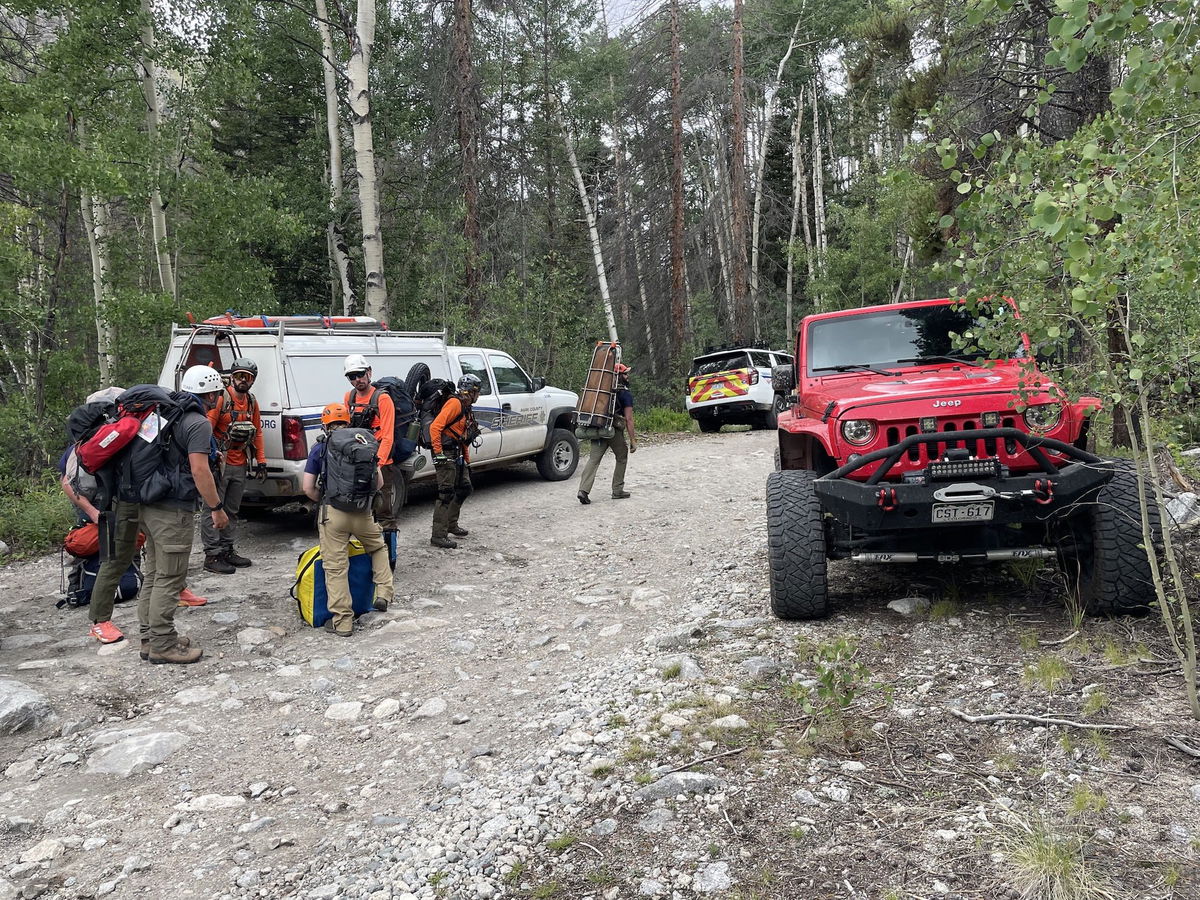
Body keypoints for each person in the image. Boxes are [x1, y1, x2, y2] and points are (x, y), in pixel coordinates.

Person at [60, 388, 205, 646]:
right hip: (117, 505)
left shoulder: (130, 427)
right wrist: (93, 513)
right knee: (121, 560)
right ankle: (101, 621)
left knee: (143, 557)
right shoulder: (125, 429)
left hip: (124, 502)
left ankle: (113, 622)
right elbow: (67, 481)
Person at [137, 365, 228, 664]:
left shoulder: (163, 414)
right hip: (172, 509)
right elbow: (200, 469)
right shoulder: (197, 423)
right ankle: (163, 644)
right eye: (218, 393)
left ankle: (150, 639)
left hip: (148, 503)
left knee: (153, 574)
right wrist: (216, 508)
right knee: (170, 577)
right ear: (212, 393)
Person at [302, 402, 393, 637]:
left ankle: (342, 622)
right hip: (363, 512)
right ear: (348, 421)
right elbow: (380, 483)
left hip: (333, 513)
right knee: (377, 547)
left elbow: (307, 488)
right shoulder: (363, 442)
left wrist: (324, 500)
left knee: (335, 567)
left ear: (325, 423)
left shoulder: (320, 447)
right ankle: (383, 593)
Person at [202, 357, 267, 574]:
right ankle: (212, 555)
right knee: (213, 508)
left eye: (247, 377)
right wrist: (210, 456)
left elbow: (257, 432)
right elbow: (207, 428)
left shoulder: (251, 402)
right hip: (220, 463)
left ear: (252, 380)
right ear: (232, 377)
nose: (242, 380)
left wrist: (262, 461)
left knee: (232, 509)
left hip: (240, 462)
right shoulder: (222, 399)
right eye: (239, 376)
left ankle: (227, 549)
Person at [342, 354, 403, 536]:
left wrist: (378, 464)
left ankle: (388, 556)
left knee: (383, 509)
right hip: (358, 461)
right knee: (359, 508)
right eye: (352, 376)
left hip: (380, 461)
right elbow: (346, 431)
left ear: (369, 372)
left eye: (360, 374)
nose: (357, 380)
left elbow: (388, 436)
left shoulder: (382, 399)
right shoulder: (349, 397)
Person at [429, 374, 482, 549]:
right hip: (445, 453)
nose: (479, 395)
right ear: (471, 391)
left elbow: (462, 436)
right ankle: (438, 535)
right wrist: (438, 453)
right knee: (446, 493)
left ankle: (451, 524)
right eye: (477, 391)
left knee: (465, 487)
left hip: (457, 452)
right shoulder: (455, 403)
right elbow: (435, 427)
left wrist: (466, 460)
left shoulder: (466, 407)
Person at [577, 362, 637, 504]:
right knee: (622, 456)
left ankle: (583, 490)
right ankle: (617, 490)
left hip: (597, 428)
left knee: (593, 459)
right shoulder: (624, 394)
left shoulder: (599, 390)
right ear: (619, 376)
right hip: (613, 431)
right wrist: (633, 440)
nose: (627, 376)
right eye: (625, 373)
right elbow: (628, 419)